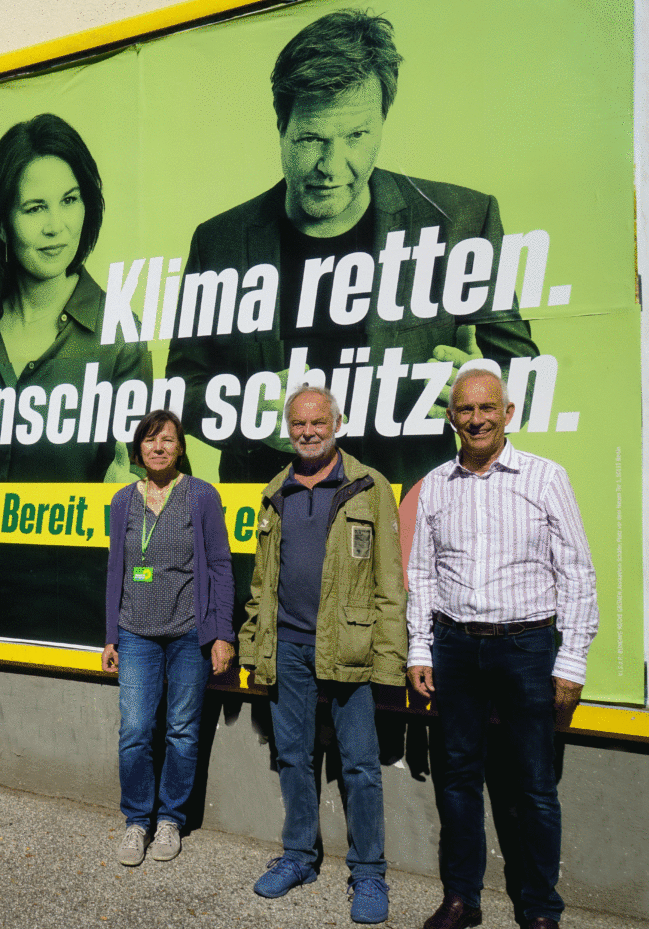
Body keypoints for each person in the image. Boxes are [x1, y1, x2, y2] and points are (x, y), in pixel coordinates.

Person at [166, 9, 538, 491]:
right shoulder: (218, 242)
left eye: (357, 136)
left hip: (410, 521)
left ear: (383, 121)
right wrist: (244, 414)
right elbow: (182, 389)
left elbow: (522, 373)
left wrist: (479, 385)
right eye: (311, 139)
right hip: (272, 524)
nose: (331, 165)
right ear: (281, 126)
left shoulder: (462, 220)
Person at [0, 112, 152, 648]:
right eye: (35, 207)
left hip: (75, 609)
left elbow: (148, 472)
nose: (57, 225)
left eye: (70, 199)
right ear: (3, 219)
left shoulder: (119, 330)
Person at [406, 368, 597, 929]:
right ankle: (462, 898)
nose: (477, 419)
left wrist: (572, 659)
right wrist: (421, 649)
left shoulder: (544, 478)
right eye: (465, 410)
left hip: (527, 648)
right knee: (458, 777)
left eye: (488, 409)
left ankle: (540, 908)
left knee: (534, 784)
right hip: (456, 648)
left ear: (508, 414)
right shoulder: (438, 483)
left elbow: (578, 573)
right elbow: (424, 572)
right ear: (451, 418)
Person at [238, 385, 406, 924]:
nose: (308, 432)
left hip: (351, 649)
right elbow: (262, 582)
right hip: (286, 647)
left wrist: (389, 662)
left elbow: (389, 583)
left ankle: (369, 873)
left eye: (318, 422)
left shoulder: (368, 486)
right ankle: (298, 857)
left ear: (338, 422)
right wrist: (251, 644)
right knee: (293, 756)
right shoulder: (275, 491)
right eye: (298, 424)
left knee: (359, 765)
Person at [101, 410, 236, 866]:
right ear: (138, 448)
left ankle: (170, 821)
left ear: (180, 449)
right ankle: (137, 821)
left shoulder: (201, 496)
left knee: (182, 732)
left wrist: (221, 633)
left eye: (168, 440)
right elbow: (116, 570)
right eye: (150, 440)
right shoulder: (122, 501)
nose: (158, 448)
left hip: (188, 636)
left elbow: (219, 566)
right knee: (136, 731)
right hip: (135, 634)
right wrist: (110, 636)